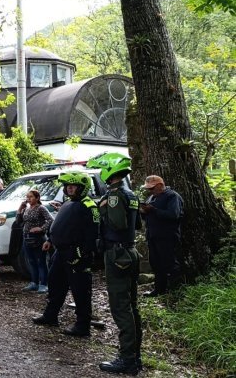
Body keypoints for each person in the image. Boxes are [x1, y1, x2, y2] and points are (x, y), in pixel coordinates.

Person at [88, 152, 142, 375]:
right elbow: (136, 224)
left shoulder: (114, 196)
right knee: (131, 306)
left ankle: (128, 359)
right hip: (130, 252)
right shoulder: (131, 194)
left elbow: (118, 224)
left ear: (110, 171)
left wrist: (102, 207)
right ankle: (135, 357)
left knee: (121, 307)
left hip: (118, 254)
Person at [32, 171, 98, 338]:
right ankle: (50, 316)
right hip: (60, 252)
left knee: (80, 290)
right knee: (55, 284)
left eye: (73, 186)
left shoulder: (89, 206)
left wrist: (82, 254)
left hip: (75, 254)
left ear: (82, 188)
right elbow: (61, 225)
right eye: (67, 186)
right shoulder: (68, 204)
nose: (69, 189)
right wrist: (51, 240)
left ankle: (82, 326)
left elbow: (93, 234)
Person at [139, 175, 183, 297]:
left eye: (152, 188)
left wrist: (153, 210)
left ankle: (176, 291)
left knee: (169, 264)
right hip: (153, 236)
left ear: (160, 185)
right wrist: (144, 212)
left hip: (167, 236)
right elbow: (149, 215)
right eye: (148, 189)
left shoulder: (172, 196)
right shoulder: (151, 197)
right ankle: (159, 290)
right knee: (156, 264)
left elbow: (173, 215)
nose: (150, 191)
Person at [15, 189, 53, 293]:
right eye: (27, 197)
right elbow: (18, 222)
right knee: (31, 261)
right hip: (26, 238)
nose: (28, 199)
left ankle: (44, 284)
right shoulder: (26, 209)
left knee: (41, 261)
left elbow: (50, 220)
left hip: (38, 238)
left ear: (37, 198)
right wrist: (20, 209)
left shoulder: (41, 208)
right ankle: (34, 282)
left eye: (31, 197)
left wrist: (41, 228)